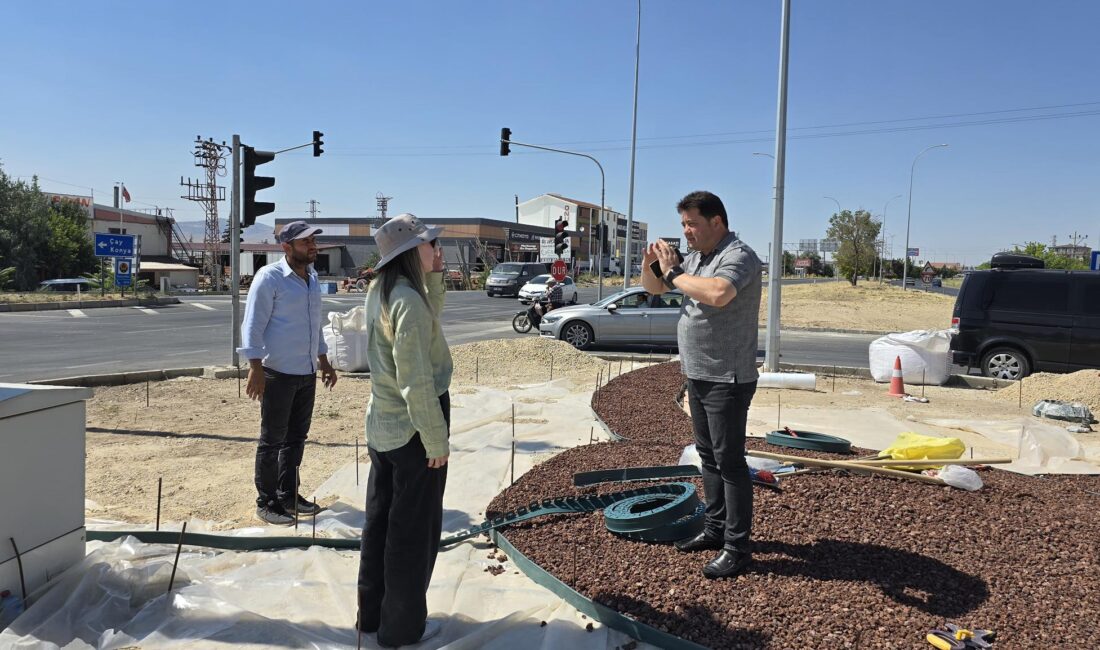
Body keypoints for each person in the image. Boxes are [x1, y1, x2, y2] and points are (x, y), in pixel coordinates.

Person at [641, 191, 763, 580]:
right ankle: (715, 529)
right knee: (708, 458)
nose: (686, 232)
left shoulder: (738, 256)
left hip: (728, 377)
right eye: (683, 225)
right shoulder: (694, 259)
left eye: (691, 224)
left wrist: (674, 272)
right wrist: (651, 265)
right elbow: (656, 289)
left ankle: (737, 547)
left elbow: (718, 294)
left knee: (730, 463)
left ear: (717, 222)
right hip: (699, 374)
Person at [357, 213, 451, 647]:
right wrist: (436, 440)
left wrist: (433, 277)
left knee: (379, 523)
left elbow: (428, 319)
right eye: (430, 244)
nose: (437, 250)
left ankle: (371, 617)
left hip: (384, 424)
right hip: (415, 428)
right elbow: (417, 381)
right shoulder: (408, 302)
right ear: (412, 251)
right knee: (413, 533)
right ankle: (401, 629)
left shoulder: (384, 291)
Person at [239, 220, 338, 526]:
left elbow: (314, 325)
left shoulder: (311, 278)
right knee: (272, 441)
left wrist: (324, 360)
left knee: (296, 438)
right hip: (277, 373)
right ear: (286, 247)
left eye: (313, 242)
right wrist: (254, 368)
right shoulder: (269, 278)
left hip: (305, 373)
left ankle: (288, 494)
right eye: (306, 242)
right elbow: (252, 325)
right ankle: (266, 501)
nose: (313, 247)